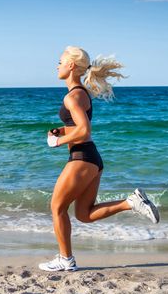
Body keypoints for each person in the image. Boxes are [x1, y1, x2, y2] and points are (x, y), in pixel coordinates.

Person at [39, 46, 160, 272]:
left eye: (60, 61)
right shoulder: (81, 93)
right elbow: (76, 127)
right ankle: (131, 202)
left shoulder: (72, 96)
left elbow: (84, 131)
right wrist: (61, 131)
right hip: (92, 159)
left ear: (71, 66)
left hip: (82, 157)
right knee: (84, 214)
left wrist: (58, 142)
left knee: (57, 208)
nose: (57, 65)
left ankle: (65, 260)